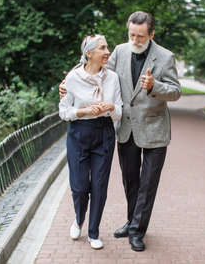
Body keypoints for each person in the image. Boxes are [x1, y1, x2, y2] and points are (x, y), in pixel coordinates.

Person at [60, 11, 181, 251]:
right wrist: (67, 81)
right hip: (126, 128)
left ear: (151, 34)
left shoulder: (165, 57)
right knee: (130, 181)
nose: (135, 40)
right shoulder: (120, 51)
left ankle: (137, 230)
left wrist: (154, 86)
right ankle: (131, 220)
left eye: (140, 36)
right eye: (131, 35)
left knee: (148, 183)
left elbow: (176, 92)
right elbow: (96, 66)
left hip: (155, 129)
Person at [59, 34, 123, 250]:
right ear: (89, 53)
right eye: (103, 48)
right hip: (79, 133)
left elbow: (120, 111)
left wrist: (110, 108)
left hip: (104, 133)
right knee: (79, 187)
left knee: (99, 186)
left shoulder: (113, 78)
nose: (107, 52)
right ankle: (78, 219)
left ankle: (94, 231)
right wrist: (85, 110)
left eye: (108, 47)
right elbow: (64, 112)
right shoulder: (72, 78)